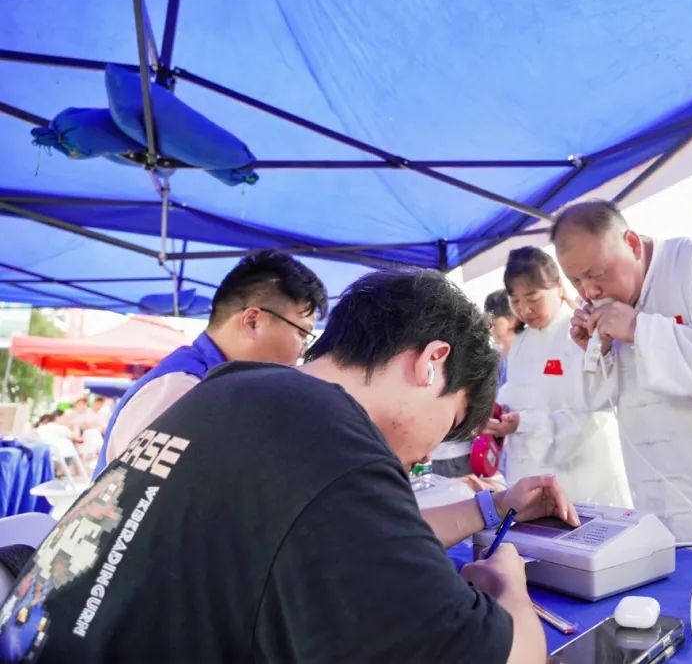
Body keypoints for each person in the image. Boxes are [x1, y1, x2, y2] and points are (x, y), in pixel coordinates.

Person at [0, 268, 576, 663]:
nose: (429, 453)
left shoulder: (234, 393)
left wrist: (492, 506)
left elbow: (350, 537)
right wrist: (509, 584)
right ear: (432, 362)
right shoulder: (332, 440)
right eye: (448, 423)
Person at [553, 200, 692, 563]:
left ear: (632, 244)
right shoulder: (599, 310)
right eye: (576, 281)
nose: (589, 290)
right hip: (659, 501)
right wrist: (596, 352)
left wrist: (640, 328)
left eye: (597, 273)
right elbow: (596, 403)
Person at [92, 250, 328, 476]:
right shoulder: (182, 389)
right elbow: (136, 494)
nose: (302, 350)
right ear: (253, 322)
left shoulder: (215, 386)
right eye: (302, 333)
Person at [485, 247, 631, 506]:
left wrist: (525, 423)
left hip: (583, 475)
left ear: (558, 287)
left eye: (532, 297)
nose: (525, 309)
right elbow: (520, 395)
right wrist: (501, 416)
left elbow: (590, 413)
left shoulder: (580, 332)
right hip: (530, 470)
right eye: (515, 301)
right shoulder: (521, 341)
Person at [431, 289, 522, 480]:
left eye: (494, 320)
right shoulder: (487, 357)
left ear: (512, 319)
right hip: (464, 449)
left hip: (498, 444)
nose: (490, 326)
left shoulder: (519, 357)